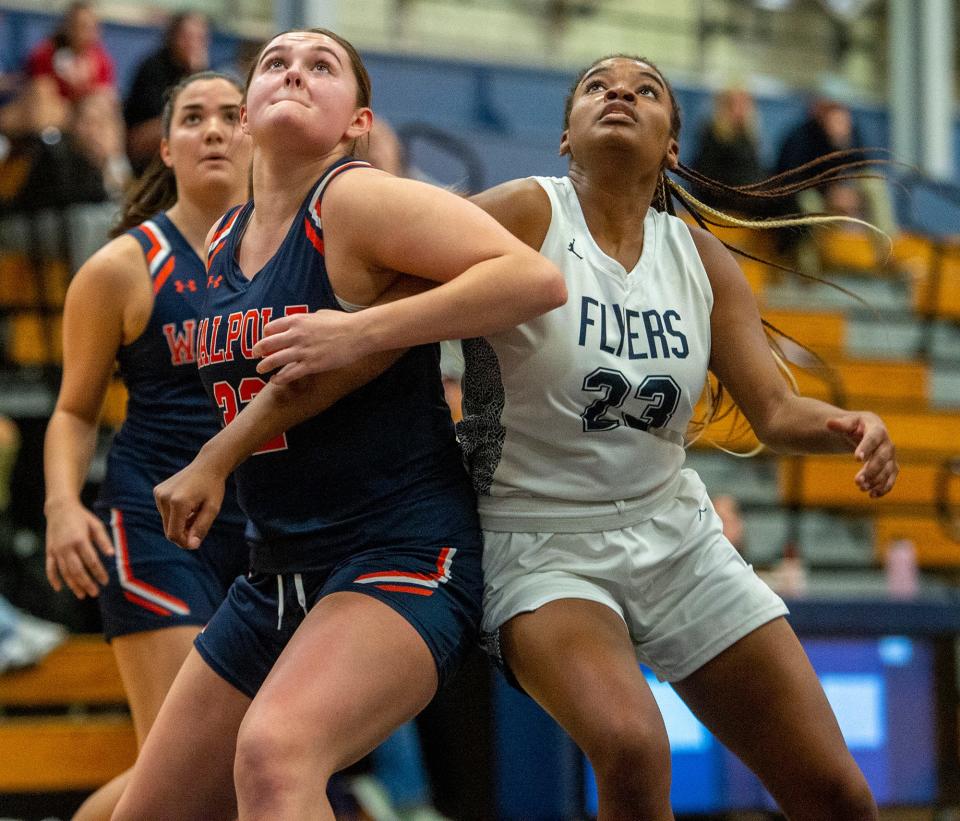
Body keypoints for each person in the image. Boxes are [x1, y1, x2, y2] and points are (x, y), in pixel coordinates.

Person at [251, 55, 898, 820]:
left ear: (673, 147)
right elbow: (381, 320)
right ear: (565, 137)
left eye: (646, 89)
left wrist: (849, 425)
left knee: (839, 793)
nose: (619, 92)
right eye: (597, 85)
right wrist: (264, 411)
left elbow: (777, 412)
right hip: (540, 543)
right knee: (632, 744)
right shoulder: (527, 213)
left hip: (676, 535)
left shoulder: (701, 258)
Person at [111, 28, 565, 821]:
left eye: (321, 66)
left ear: (358, 120)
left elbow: (532, 276)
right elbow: (287, 394)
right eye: (275, 66)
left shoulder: (354, 198)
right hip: (275, 568)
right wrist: (215, 459)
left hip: (398, 551)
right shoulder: (223, 240)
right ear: (247, 115)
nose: (293, 72)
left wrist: (361, 329)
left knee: (276, 752)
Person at [42, 71, 253, 821]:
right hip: (158, 524)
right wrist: (64, 505)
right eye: (194, 118)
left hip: (269, 528)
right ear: (165, 147)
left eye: (233, 115)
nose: (216, 130)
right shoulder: (123, 267)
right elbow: (73, 410)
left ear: (260, 134)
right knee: (192, 762)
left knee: (219, 769)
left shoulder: (299, 254)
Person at [123, 11, 210, 174]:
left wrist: (198, 74)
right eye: (188, 37)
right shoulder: (152, 67)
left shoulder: (202, 71)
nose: (194, 44)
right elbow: (160, 119)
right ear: (174, 37)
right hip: (143, 140)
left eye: (200, 38)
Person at [24, 1, 116, 106]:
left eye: (92, 27)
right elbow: (39, 90)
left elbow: (105, 94)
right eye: (81, 26)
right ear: (68, 27)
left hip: (84, 112)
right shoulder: (46, 54)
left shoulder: (101, 60)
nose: (87, 33)